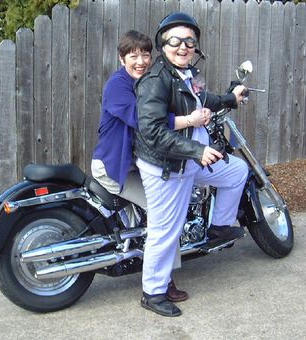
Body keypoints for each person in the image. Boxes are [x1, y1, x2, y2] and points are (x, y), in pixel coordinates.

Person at [134, 12, 249, 317]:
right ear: (163, 44)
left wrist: (229, 98)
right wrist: (197, 151)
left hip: (189, 159)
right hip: (167, 166)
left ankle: (220, 228)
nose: (183, 46)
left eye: (189, 41)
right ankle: (153, 293)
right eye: (175, 40)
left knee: (237, 171)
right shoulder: (156, 81)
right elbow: (153, 132)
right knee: (164, 230)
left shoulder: (184, 74)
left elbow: (202, 98)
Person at [91, 30, 191, 302]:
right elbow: (145, 119)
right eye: (133, 55)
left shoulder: (146, 81)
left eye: (145, 54)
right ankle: (163, 280)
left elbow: (166, 101)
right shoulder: (118, 85)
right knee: (166, 212)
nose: (141, 61)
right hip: (114, 167)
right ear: (121, 58)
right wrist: (188, 119)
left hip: (135, 164)